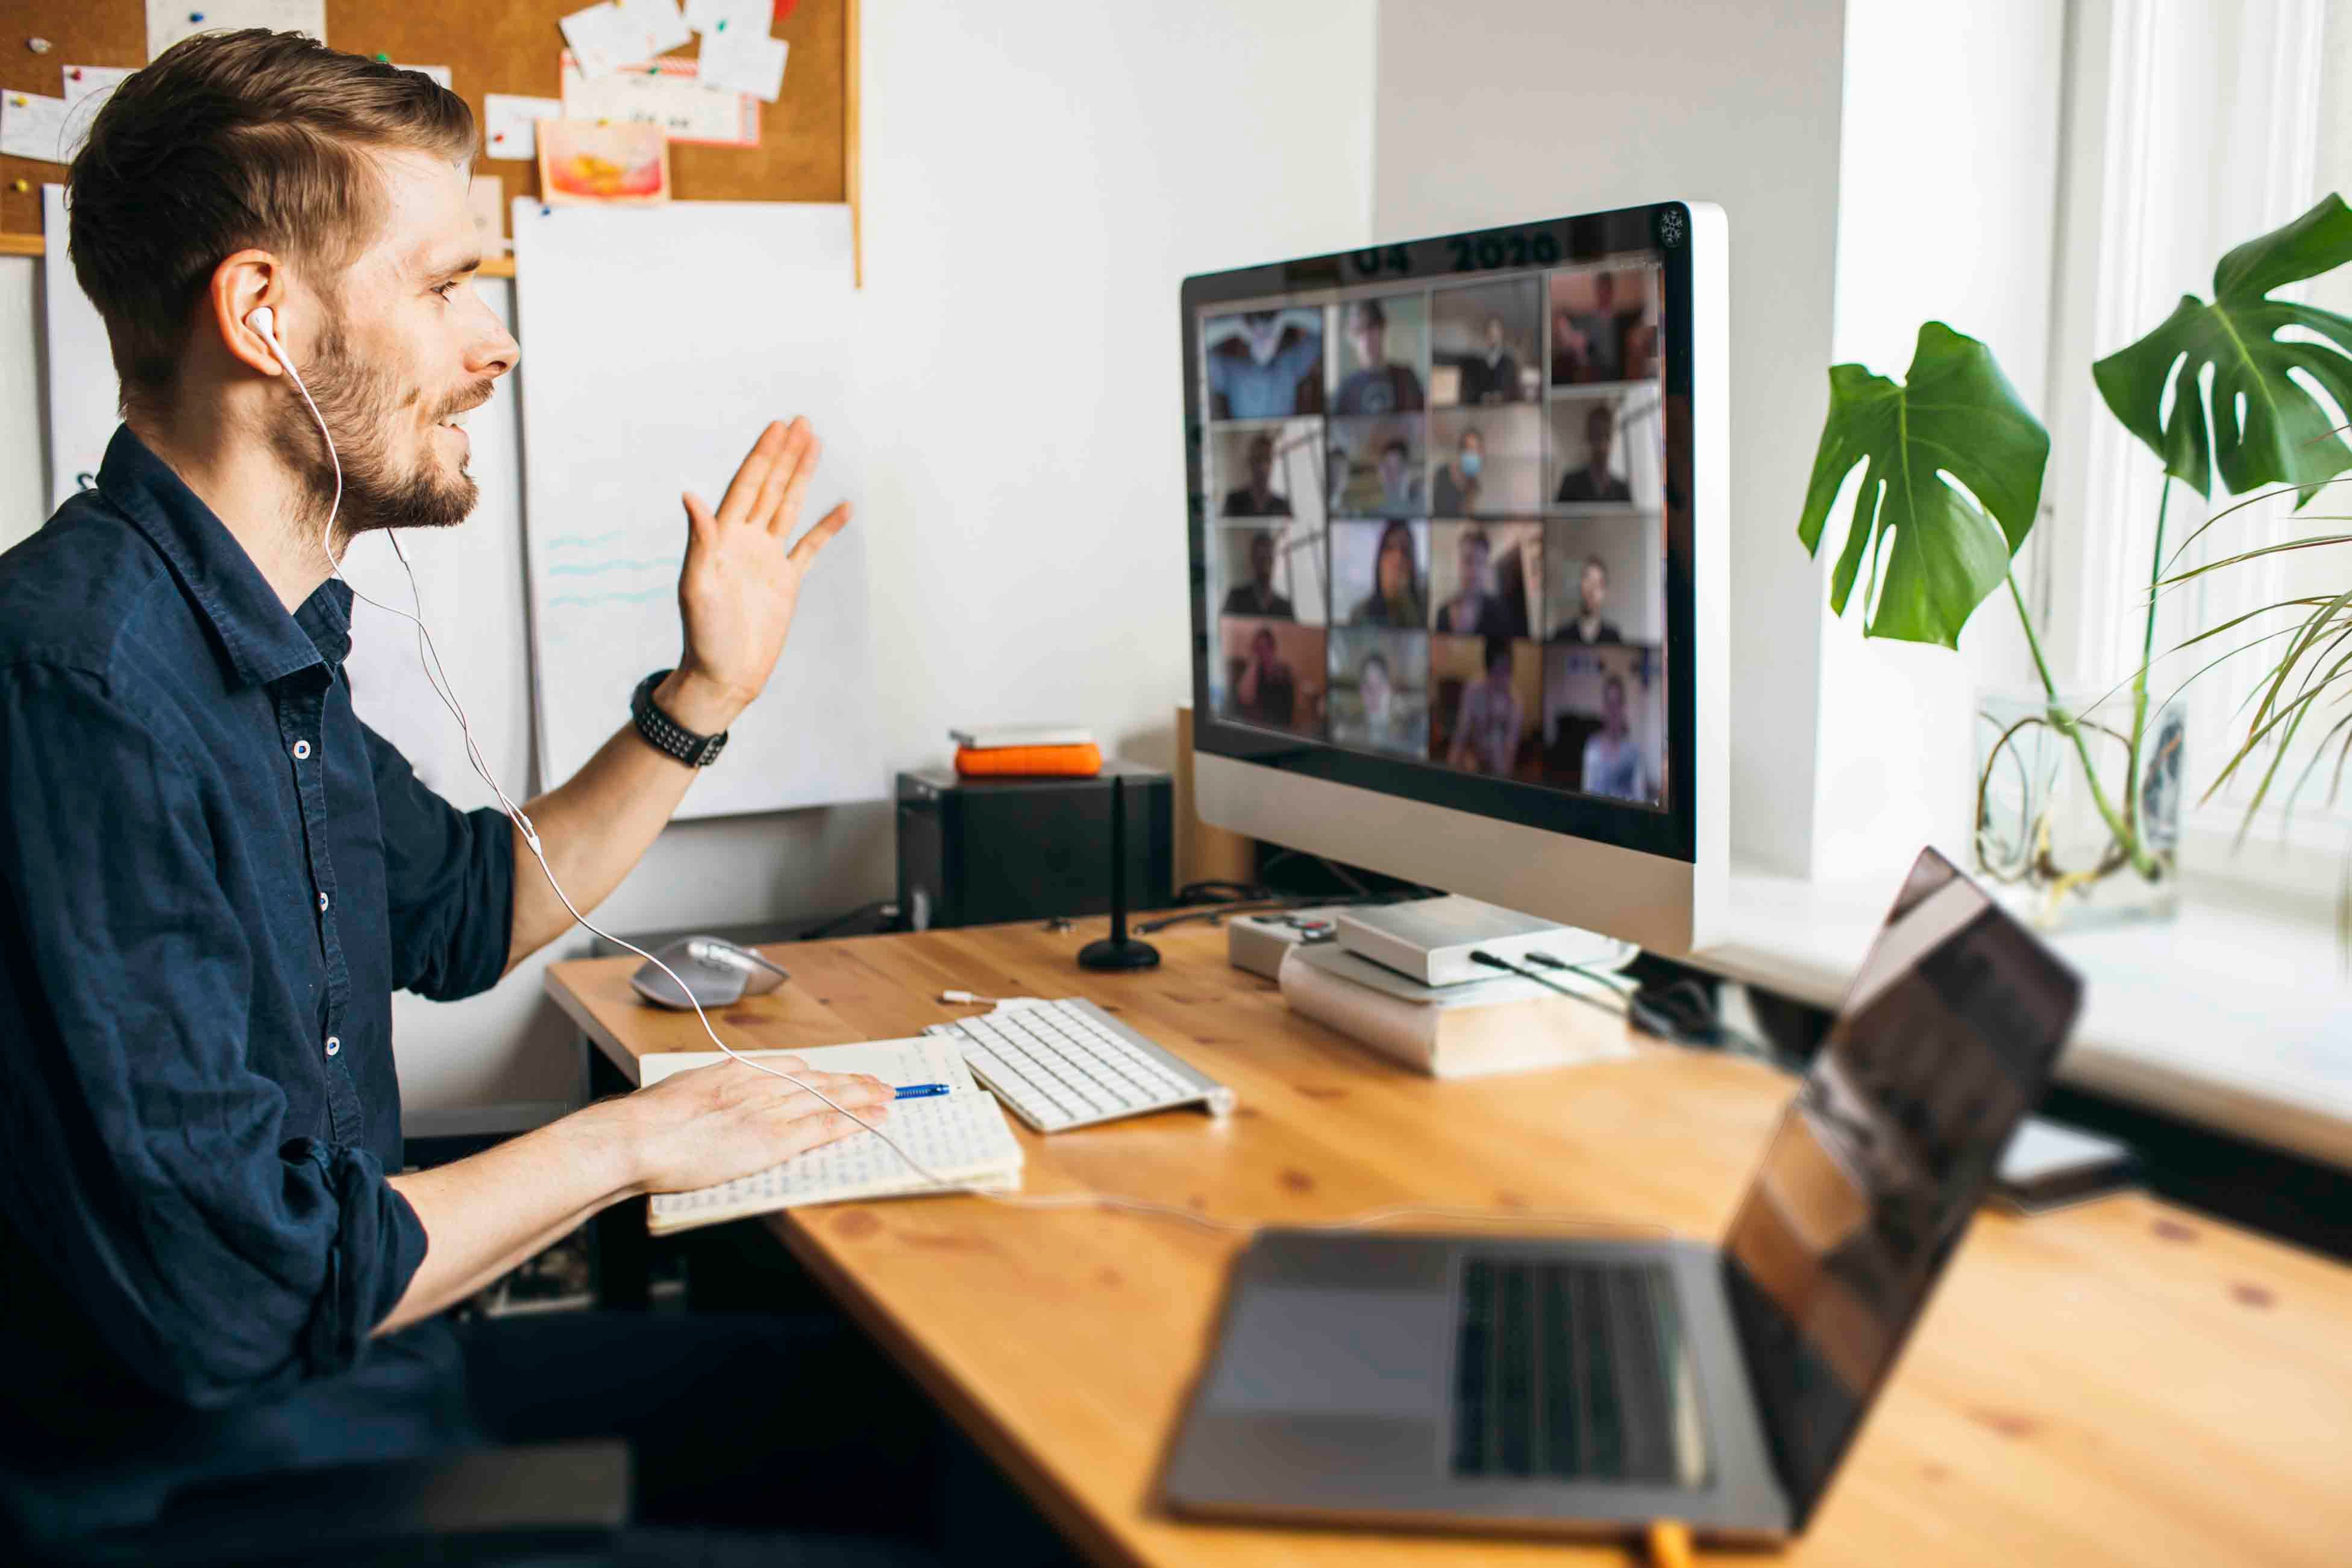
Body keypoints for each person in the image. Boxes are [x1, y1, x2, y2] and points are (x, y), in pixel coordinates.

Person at [0, 34, 936, 1565]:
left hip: (370, 1388)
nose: (492, 342)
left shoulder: (248, 637)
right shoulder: (83, 685)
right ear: (263, 316)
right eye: (442, 287)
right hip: (206, 1491)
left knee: (915, 1425)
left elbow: (466, 912)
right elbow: (242, 1293)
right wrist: (630, 1142)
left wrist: (703, 694)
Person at [1207, 308, 1322, 419]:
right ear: (1246, 336)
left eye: (1269, 332)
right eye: (1257, 333)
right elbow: (1197, 341)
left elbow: (1327, 327)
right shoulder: (1232, 371)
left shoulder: (1290, 364)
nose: (1263, 340)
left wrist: (1284, 318)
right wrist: (1236, 326)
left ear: (1279, 335)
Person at [1447, 635, 1524, 776]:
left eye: (1506, 671)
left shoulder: (1515, 702)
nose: (1502, 679)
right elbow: (1461, 735)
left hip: (1500, 766)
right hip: (1473, 760)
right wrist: (1449, 771)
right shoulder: (1473, 690)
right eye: (1496, 671)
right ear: (1488, 669)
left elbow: (1510, 753)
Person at [1333, 298, 1425, 415]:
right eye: (1359, 331)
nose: (1366, 339)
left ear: (1383, 328)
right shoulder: (1346, 389)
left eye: (1371, 328)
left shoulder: (1407, 378)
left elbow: (1421, 424)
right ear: (1351, 337)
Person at [1437, 526, 1524, 637]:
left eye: (1481, 563)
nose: (1475, 571)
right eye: (1468, 560)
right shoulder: (1442, 613)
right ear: (1459, 563)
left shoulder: (1500, 611)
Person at [1581, 674, 1656, 801]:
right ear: (1603, 708)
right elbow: (1586, 793)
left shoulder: (1634, 752)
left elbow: (1640, 798)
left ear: (1623, 708)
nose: (1613, 711)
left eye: (1618, 704)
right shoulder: (1592, 748)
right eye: (1610, 704)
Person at [1350, 519, 1428, 628]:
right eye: (1390, 548)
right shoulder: (1360, 614)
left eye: (1405, 551)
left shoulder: (1425, 611)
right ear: (1379, 562)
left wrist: (1405, 602)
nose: (1398, 559)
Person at [1555, 401, 1632, 504]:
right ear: (1588, 436)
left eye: (1607, 435)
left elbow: (1629, 520)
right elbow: (1557, 520)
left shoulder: (1622, 490)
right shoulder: (1570, 484)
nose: (1602, 444)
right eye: (1597, 435)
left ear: (1612, 438)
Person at [1559, 271, 1629, 383]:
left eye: (1606, 289)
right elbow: (1564, 315)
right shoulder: (1588, 317)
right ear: (1597, 291)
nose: (1603, 293)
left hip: (1612, 370)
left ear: (1611, 291)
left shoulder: (1620, 319)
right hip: (1591, 366)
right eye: (1601, 288)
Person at [1347, 650, 1420, 755]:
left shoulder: (1409, 736)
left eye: (1379, 685)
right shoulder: (1349, 735)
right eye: (1368, 687)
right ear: (1361, 692)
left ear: (1390, 689)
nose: (1374, 695)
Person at [1233, 624, 1299, 727]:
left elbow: (1286, 715)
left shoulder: (1283, 673)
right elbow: (1245, 699)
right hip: (1252, 726)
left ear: (1273, 649)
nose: (1263, 653)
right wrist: (1254, 662)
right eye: (1258, 649)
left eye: (1266, 648)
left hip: (1275, 727)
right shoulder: (1252, 671)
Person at [1221, 529, 1294, 618]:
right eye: (1261, 558)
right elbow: (1225, 629)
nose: (1265, 564)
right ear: (1253, 560)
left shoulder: (1285, 607)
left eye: (1269, 557)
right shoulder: (1236, 599)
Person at [1554, 554, 1624, 644]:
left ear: (1605, 593)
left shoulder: (1614, 638)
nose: (1592, 590)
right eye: (1588, 580)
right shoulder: (1562, 636)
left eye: (1598, 584)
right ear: (1580, 586)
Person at [1222, 430, 1293, 517]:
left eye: (1267, 459)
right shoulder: (1233, 501)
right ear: (1250, 462)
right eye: (1258, 459)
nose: (1263, 467)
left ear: (1272, 463)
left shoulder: (1283, 506)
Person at [1458, 314, 1523, 404]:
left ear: (1501, 333)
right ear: (1486, 335)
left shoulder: (1510, 362)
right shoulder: (1477, 363)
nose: (1493, 335)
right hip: (1483, 412)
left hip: (1505, 411)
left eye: (1496, 331)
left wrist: (1501, 397)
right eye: (1490, 332)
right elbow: (1472, 392)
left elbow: (1515, 392)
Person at [1431, 426, 1484, 515]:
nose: (1475, 454)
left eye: (1478, 449)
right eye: (1470, 449)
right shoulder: (1442, 474)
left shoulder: (1474, 485)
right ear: (1461, 452)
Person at [1376, 436, 1424, 515]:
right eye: (1387, 467)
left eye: (1396, 468)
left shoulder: (1419, 497)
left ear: (1406, 470)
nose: (1390, 475)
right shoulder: (1376, 501)